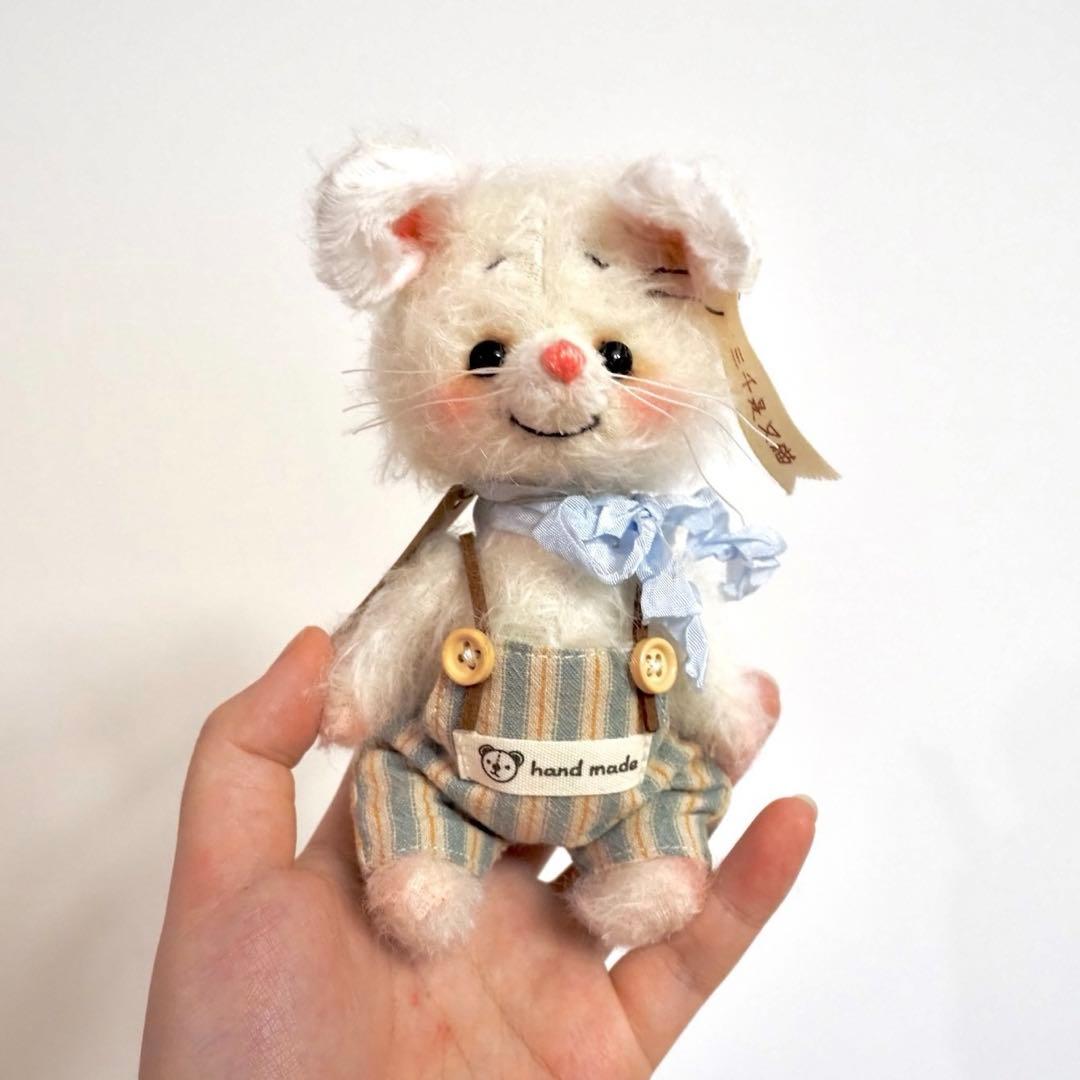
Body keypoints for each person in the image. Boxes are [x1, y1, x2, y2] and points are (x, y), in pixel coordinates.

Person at [140, 627, 816, 1078]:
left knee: (673, 777)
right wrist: (357, 687)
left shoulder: (647, 570)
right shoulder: (464, 560)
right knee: (403, 769)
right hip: (461, 778)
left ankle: (642, 856)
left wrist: (725, 710)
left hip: (623, 780)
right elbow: (408, 623)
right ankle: (427, 856)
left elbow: (693, 655)